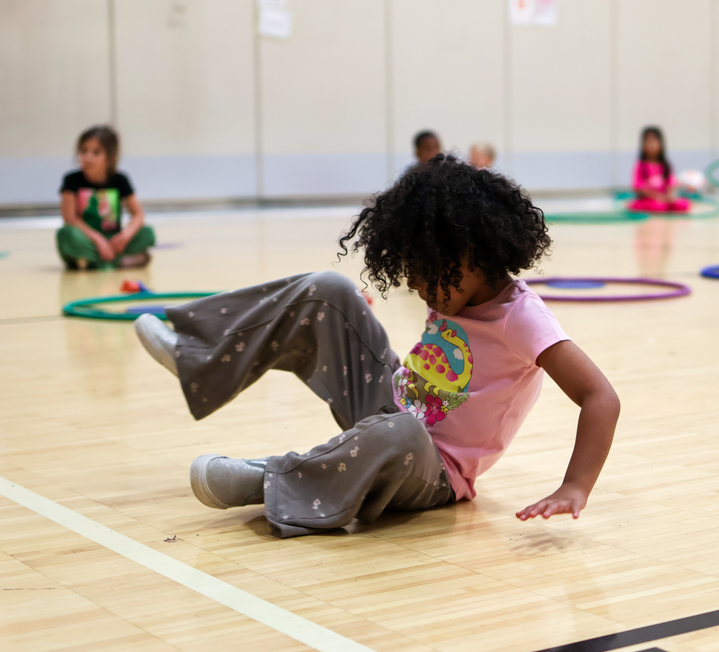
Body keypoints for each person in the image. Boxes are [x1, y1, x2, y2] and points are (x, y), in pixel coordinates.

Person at [133, 155, 619, 538]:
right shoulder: (456, 287)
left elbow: (601, 398)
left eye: (426, 276)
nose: (420, 290)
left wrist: (575, 485)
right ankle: (199, 358)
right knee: (330, 290)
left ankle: (268, 479)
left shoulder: (522, 318)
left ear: (473, 256)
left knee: (403, 432)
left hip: (432, 468)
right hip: (387, 407)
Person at [57, 126, 155, 269]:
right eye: (84, 151)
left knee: (147, 233)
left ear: (109, 157)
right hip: (87, 239)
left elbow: (138, 214)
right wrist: (97, 239)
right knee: (66, 234)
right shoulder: (72, 180)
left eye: (96, 153)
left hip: (113, 241)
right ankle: (118, 262)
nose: (88, 157)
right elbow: (69, 218)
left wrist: (125, 236)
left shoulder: (119, 180)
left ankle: (92, 262)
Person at [628, 126, 690, 213]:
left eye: (654, 140)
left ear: (661, 144)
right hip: (649, 200)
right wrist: (656, 197)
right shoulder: (641, 165)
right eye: (648, 141)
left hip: (664, 199)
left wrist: (669, 196)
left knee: (683, 205)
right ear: (643, 146)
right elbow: (638, 186)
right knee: (658, 206)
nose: (652, 144)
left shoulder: (666, 165)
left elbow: (671, 183)